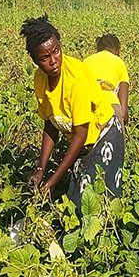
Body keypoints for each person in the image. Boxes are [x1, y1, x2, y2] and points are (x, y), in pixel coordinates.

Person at [21, 15, 124, 210]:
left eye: (56, 51)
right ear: (35, 60)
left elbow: (80, 135)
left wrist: (53, 180)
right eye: (45, 58)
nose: (54, 61)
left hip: (105, 134)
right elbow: (50, 124)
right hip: (82, 141)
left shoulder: (76, 77)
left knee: (94, 203)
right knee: (76, 198)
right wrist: (40, 169)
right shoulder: (40, 79)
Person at [83, 33, 130, 125]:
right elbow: (123, 113)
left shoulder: (86, 61)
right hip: (111, 110)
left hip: (86, 111)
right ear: (117, 51)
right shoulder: (119, 63)